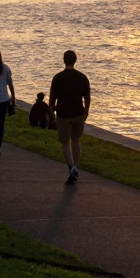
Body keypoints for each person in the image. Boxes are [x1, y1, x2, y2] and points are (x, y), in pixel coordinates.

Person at [49, 50, 91, 184]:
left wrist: (51, 114)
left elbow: (52, 99)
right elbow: (87, 97)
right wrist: (86, 111)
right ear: (75, 60)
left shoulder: (57, 78)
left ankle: (71, 168)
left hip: (63, 114)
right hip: (78, 113)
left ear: (63, 60)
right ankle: (75, 167)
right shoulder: (82, 77)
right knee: (76, 141)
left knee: (65, 143)